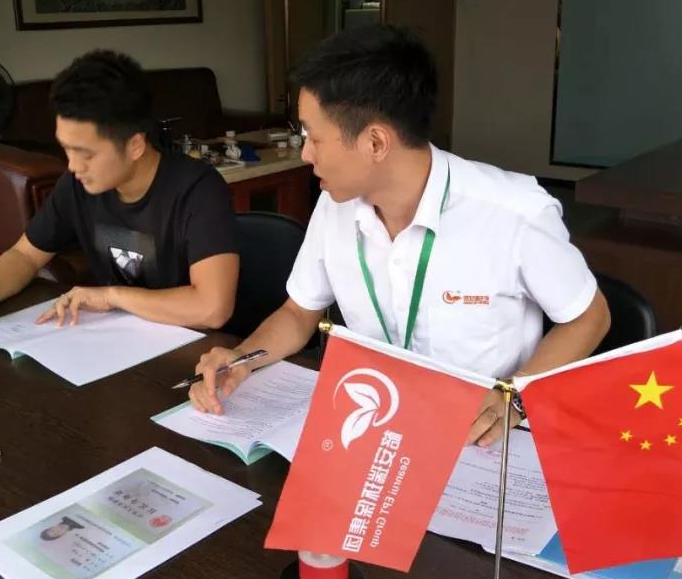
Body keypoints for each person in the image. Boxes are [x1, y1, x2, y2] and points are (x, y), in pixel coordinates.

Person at [188, 25, 610, 447]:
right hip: (378, 423)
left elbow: (590, 317)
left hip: (479, 441)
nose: (306, 154)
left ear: (375, 142)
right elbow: (299, 313)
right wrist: (243, 359)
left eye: (314, 138)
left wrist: (514, 396)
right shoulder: (335, 205)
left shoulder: (514, 213)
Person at [0, 50, 239, 330]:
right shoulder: (78, 185)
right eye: (66, 149)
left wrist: (111, 297)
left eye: (86, 154)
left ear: (135, 145)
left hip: (193, 346)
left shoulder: (198, 189)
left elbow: (212, 309)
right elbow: (25, 255)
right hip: (116, 339)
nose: (73, 166)